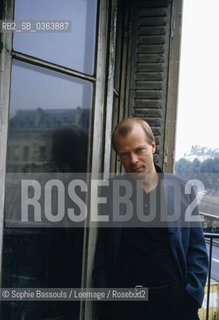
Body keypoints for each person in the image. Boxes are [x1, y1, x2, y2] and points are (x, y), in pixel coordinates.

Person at [92, 118, 208, 320]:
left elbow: (197, 251)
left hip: (173, 305)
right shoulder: (111, 192)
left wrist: (191, 298)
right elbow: (102, 249)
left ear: (153, 146)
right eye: (125, 154)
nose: (133, 160)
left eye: (139, 150)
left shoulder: (183, 190)